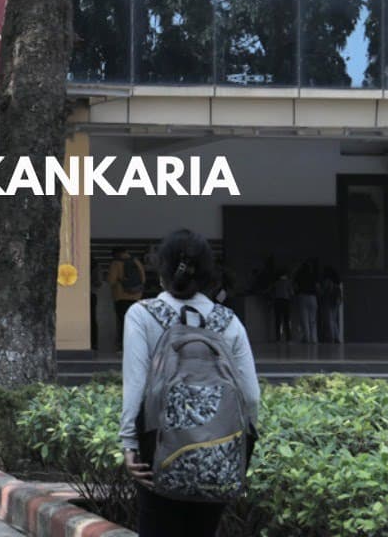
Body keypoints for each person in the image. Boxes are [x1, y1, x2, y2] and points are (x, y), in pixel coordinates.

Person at [121, 229, 259, 537]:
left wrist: (129, 443)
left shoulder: (142, 315)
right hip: (218, 454)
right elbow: (251, 396)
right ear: (208, 274)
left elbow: (136, 385)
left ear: (162, 270)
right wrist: (239, 452)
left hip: (157, 450)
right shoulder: (229, 321)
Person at [108, 247, 145, 350]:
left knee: (122, 322)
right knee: (134, 322)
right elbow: (143, 279)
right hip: (136, 297)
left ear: (116, 254)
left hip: (121, 297)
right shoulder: (136, 261)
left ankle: (122, 345)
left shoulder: (116, 263)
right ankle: (135, 344)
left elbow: (111, 281)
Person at [294, 261, 319, 344]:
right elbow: (317, 287)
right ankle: (314, 339)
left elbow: (295, 287)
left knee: (304, 320)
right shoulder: (313, 275)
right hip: (313, 297)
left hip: (303, 296)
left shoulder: (299, 275)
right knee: (313, 320)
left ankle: (307, 338)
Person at [317, 266, 343, 344]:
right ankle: (336, 337)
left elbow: (323, 292)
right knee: (333, 320)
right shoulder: (336, 283)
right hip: (335, 301)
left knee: (329, 320)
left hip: (328, 301)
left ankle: (331, 338)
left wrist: (319, 289)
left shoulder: (327, 281)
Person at [269, 266, 293, 342]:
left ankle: (278, 337)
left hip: (278, 301)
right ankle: (288, 338)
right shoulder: (288, 282)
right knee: (286, 320)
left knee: (278, 320)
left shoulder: (276, 283)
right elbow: (292, 293)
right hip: (286, 301)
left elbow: (272, 292)